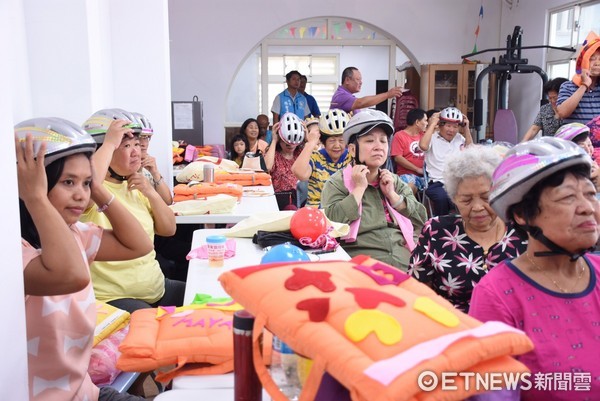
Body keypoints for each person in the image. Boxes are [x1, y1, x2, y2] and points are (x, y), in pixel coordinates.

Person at [15, 117, 152, 401]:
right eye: (67, 182)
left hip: (85, 392)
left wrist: (97, 187)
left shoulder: (76, 233)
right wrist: (35, 198)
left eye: (85, 182)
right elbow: (70, 276)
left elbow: (139, 244)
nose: (80, 195)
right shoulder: (15, 253)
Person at [469, 137, 600, 400]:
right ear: (521, 214)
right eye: (568, 197)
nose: (587, 208)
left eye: (590, 194)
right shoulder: (498, 294)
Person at [81, 108, 185, 313]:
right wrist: (110, 142)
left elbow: (168, 229)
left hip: (156, 288)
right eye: (126, 145)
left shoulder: (136, 185)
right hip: (115, 297)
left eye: (137, 144)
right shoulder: (92, 194)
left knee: (213, 297)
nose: (136, 151)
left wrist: (151, 193)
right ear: (102, 151)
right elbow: (90, 183)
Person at [408, 145, 528, 312]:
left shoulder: (523, 232)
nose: (477, 207)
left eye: (486, 197)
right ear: (454, 199)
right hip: (454, 326)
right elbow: (416, 292)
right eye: (466, 200)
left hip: (512, 329)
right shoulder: (436, 231)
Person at [321, 109, 427, 271]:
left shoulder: (393, 181)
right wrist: (358, 190)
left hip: (405, 261)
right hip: (362, 267)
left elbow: (421, 218)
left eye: (383, 141)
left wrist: (393, 196)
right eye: (369, 141)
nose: (379, 147)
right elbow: (329, 225)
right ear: (352, 149)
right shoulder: (337, 183)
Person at [291, 108, 352, 207]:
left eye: (341, 140)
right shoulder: (316, 157)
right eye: (332, 141)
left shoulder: (352, 158)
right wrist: (311, 143)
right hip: (317, 212)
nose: (337, 145)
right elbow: (299, 173)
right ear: (323, 141)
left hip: (343, 212)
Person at [420, 106, 473, 216]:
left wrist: (466, 128)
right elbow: (423, 146)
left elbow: (471, 151)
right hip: (437, 183)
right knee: (442, 197)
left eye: (455, 126)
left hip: (458, 182)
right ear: (441, 125)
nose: (451, 130)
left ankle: (465, 227)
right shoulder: (432, 138)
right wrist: (432, 124)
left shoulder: (459, 138)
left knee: (470, 195)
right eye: (448, 125)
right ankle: (442, 226)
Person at [556, 31, 600, 124]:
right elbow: (562, 113)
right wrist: (584, 85)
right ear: (583, 61)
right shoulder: (567, 86)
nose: (597, 63)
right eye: (592, 58)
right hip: (576, 138)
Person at [264, 113, 305, 210]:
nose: (290, 146)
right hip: (280, 198)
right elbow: (267, 167)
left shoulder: (300, 153)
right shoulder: (274, 154)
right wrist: (274, 140)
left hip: (301, 197)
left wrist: (308, 140)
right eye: (286, 143)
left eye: (293, 144)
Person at [132, 112, 172, 205]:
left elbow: (168, 201)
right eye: (140, 137)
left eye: (146, 137)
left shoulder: (148, 166)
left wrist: (155, 173)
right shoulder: (123, 169)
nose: (143, 143)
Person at [330, 66, 404, 113]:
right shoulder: (341, 96)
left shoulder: (345, 95)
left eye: (361, 79)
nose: (361, 82)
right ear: (347, 80)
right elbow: (361, 102)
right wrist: (387, 94)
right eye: (358, 79)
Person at [390, 108, 428, 195]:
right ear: (417, 122)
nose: (427, 123)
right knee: (408, 189)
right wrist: (417, 169)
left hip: (427, 175)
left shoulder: (425, 135)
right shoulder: (399, 136)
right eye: (425, 121)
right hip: (407, 174)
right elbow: (398, 158)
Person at [555, 122, 600, 192]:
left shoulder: (595, 167)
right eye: (581, 147)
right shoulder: (559, 177)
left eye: (589, 145)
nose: (588, 151)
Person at [520, 77, 569, 141]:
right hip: (548, 146)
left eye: (555, 98)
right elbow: (534, 129)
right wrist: (522, 143)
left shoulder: (571, 109)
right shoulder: (545, 109)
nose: (552, 101)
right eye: (550, 98)